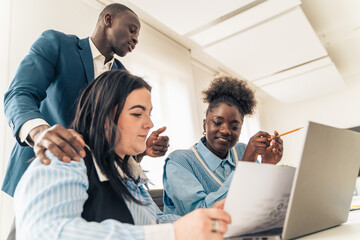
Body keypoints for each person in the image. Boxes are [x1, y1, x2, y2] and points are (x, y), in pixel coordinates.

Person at [14, 70, 231, 240]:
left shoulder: (126, 173)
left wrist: (202, 220)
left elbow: (152, 221)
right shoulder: (67, 158)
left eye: (149, 113)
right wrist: (172, 235)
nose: (149, 123)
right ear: (105, 116)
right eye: (137, 113)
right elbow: (44, 234)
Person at [3, 3, 169, 197]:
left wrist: (140, 150)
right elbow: (20, 92)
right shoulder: (57, 44)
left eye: (137, 35)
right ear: (108, 20)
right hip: (42, 170)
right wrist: (40, 133)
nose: (136, 38)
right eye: (132, 30)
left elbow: (113, 136)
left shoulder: (123, 75)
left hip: (93, 188)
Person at [163, 76, 283, 216]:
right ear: (204, 125)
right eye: (217, 122)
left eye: (234, 126)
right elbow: (199, 214)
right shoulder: (179, 161)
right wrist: (245, 164)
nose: (226, 131)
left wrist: (267, 164)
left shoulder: (242, 151)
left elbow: (258, 201)